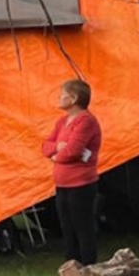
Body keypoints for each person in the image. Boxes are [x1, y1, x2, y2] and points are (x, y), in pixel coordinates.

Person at [41, 79, 102, 265]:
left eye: (62, 95)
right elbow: (45, 145)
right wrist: (57, 148)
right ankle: (72, 268)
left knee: (83, 229)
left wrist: (56, 156)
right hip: (62, 185)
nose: (59, 98)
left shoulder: (86, 121)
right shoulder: (62, 121)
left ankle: (88, 267)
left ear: (74, 98)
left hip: (81, 184)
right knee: (67, 229)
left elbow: (73, 150)